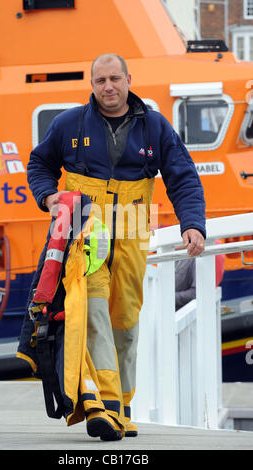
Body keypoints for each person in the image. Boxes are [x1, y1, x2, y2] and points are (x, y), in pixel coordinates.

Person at [24, 53, 206, 441]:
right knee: (91, 310)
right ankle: (100, 404)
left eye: (114, 79)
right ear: (92, 84)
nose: (108, 87)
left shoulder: (155, 126)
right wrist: (48, 197)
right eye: (100, 80)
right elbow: (39, 164)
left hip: (134, 228)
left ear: (128, 80)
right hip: (86, 228)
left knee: (125, 321)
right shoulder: (68, 124)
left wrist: (192, 224)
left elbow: (183, 177)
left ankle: (121, 408)